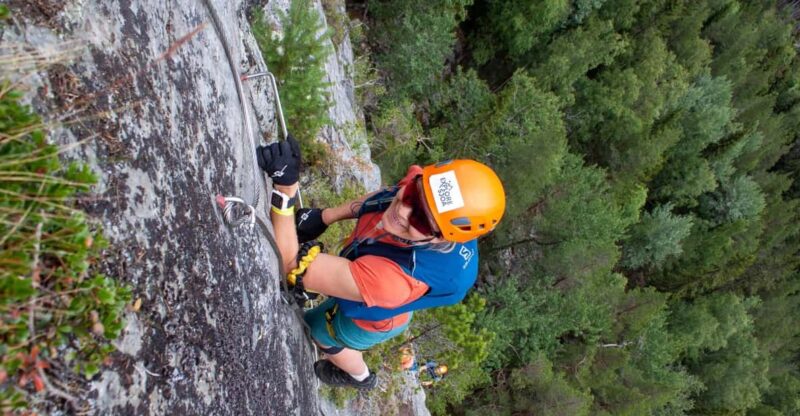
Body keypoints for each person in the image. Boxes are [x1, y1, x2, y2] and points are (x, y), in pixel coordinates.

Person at [256, 136, 505, 390]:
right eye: (410, 195)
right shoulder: (429, 192)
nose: (403, 211)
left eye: (420, 219)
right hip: (371, 272)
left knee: (318, 329)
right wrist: (326, 217)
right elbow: (383, 198)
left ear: (440, 237)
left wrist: (285, 191)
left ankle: (360, 377)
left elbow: (292, 266)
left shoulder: (390, 283)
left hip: (374, 317)